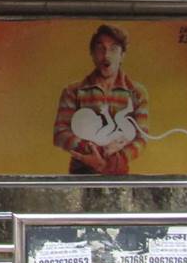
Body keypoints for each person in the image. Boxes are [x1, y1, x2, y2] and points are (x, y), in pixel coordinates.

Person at [52, 24, 150, 175]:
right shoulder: (72, 91)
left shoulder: (137, 93)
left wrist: (108, 164)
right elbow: (60, 134)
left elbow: (141, 138)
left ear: (122, 55)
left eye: (114, 49)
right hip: (81, 175)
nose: (106, 55)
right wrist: (95, 151)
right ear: (92, 53)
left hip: (118, 176)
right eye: (100, 48)